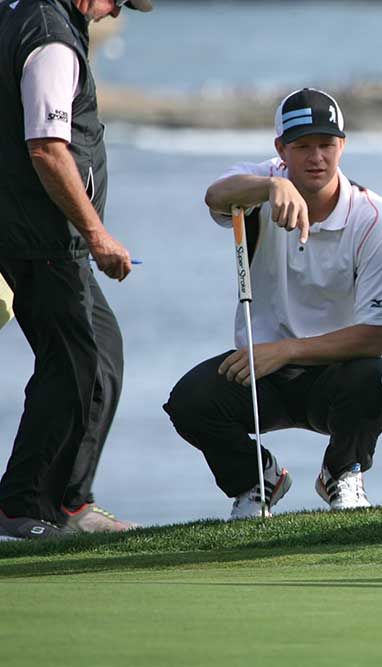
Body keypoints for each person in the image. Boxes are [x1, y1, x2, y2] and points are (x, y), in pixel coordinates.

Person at [163, 88, 382, 519]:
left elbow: (375, 335)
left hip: (334, 374)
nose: (317, 158)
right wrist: (270, 186)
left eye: (327, 145)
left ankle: (341, 472)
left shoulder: (373, 217)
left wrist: (287, 350)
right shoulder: (262, 183)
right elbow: (216, 196)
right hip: (263, 375)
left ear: (342, 146)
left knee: (376, 378)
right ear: (281, 149)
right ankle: (257, 481)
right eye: (303, 146)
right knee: (191, 401)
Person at [0, 0, 152, 540]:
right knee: (71, 365)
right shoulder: (51, 35)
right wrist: (97, 234)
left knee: (100, 356)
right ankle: (20, 506)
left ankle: (69, 501)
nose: (114, 14)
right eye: (118, 1)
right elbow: (46, 148)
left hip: (44, 234)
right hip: (42, 237)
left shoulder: (32, 15)